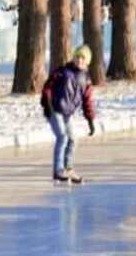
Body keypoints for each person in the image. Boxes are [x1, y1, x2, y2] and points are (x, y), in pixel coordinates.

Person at [40, 45, 97, 183]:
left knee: (73, 139)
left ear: (87, 62)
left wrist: (90, 119)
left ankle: (68, 168)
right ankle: (58, 171)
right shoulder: (63, 71)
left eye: (83, 58)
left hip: (68, 114)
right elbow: (47, 87)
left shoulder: (86, 80)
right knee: (62, 136)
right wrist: (47, 104)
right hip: (55, 110)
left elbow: (87, 101)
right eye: (77, 57)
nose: (79, 60)